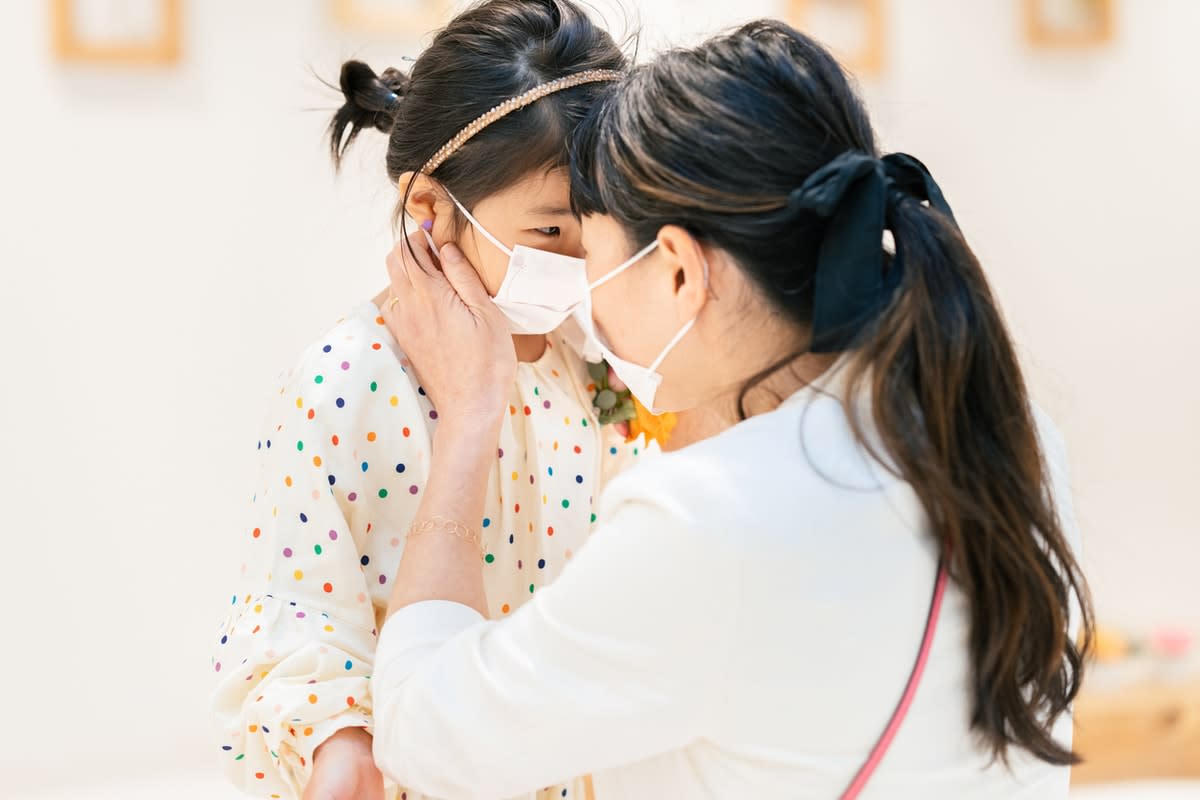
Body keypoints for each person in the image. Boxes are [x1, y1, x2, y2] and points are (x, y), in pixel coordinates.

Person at [366, 18, 1094, 799]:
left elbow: (423, 735)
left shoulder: (705, 521)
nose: (581, 293)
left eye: (593, 253)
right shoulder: (999, 428)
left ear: (678, 270)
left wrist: (470, 417)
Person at [208, 3, 657, 798]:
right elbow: (297, 625)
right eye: (552, 234)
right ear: (427, 205)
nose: (583, 262)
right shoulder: (346, 380)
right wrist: (335, 746)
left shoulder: (589, 368)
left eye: (602, 228)